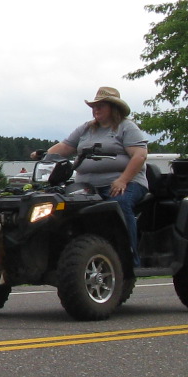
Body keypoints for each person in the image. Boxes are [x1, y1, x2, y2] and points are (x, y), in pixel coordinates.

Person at [37, 86, 149, 263]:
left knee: (120, 203)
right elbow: (65, 147)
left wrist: (122, 180)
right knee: (65, 208)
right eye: (94, 106)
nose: (95, 110)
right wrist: (45, 156)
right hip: (88, 186)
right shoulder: (86, 129)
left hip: (126, 182)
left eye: (101, 106)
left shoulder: (126, 127)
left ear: (113, 108)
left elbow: (140, 155)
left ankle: (130, 255)